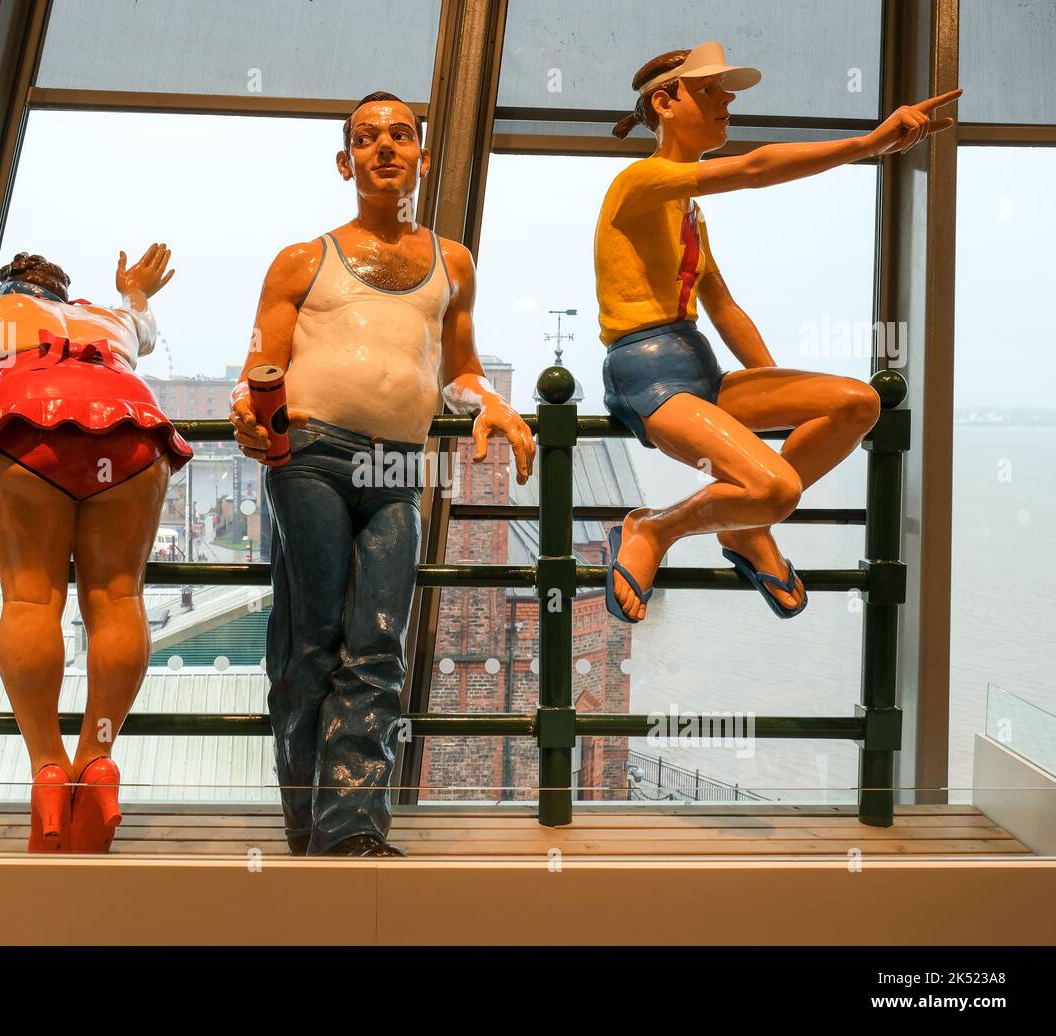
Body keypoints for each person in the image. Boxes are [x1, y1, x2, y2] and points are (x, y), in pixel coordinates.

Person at [230, 92, 536, 857]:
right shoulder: (303, 260)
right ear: (347, 162)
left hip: (398, 467)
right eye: (367, 139)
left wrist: (488, 403)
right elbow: (259, 366)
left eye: (401, 135)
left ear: (423, 158)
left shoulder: (451, 263)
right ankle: (309, 827)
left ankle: (353, 830)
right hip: (313, 460)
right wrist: (246, 408)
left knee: (377, 644)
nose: (386, 148)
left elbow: (459, 368)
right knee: (311, 643)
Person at [596, 42, 960, 623]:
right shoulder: (640, 181)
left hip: (700, 369)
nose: (728, 99)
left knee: (856, 403)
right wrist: (868, 145)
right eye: (710, 90)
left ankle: (746, 526)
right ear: (664, 102)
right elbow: (755, 169)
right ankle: (655, 529)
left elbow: (724, 306)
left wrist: (771, 389)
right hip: (648, 374)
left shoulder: (687, 206)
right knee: (779, 487)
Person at [0, 244, 189, 852]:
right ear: (63, 292)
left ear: (13, 288)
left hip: (28, 427)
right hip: (132, 429)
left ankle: (49, 769)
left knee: (31, 601)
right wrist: (135, 291)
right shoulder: (110, 319)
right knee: (117, 596)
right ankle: (97, 761)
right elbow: (147, 328)